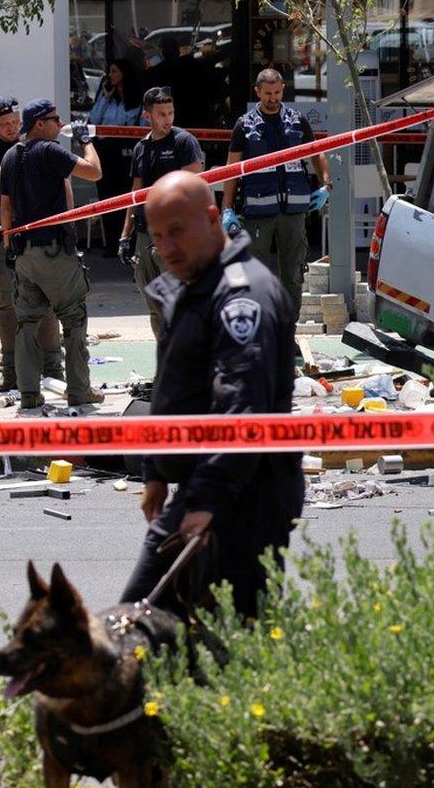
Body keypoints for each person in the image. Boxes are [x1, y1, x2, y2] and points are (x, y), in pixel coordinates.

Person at [119, 171, 302, 618]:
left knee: (204, 631)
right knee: (152, 628)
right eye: (158, 236)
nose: (166, 248)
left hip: (244, 494)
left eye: (176, 231)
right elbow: (179, 390)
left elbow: (242, 407)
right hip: (210, 484)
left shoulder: (242, 295)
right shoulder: (198, 283)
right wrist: (157, 471)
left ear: (213, 218)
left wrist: (205, 501)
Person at [0, 98, 104, 412]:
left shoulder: (10, 157)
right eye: (55, 119)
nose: (60, 125)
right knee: (74, 319)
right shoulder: (49, 150)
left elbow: (6, 207)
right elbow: (95, 172)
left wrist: (9, 247)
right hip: (54, 253)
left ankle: (29, 394)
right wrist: (86, 141)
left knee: (27, 324)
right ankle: (80, 391)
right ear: (39, 124)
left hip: (24, 255)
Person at [221, 69, 329, 315]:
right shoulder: (244, 125)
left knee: (292, 275)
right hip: (258, 213)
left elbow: (317, 152)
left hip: (293, 213)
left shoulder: (297, 120)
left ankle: (286, 332)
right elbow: (231, 170)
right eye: (268, 94)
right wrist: (227, 210)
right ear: (257, 92)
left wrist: (326, 185)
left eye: (277, 93)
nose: (273, 98)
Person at [0, 97, 62, 391]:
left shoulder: (37, 142)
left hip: (39, 235)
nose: (12, 128)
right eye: (4, 125)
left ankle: (54, 368)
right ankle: (10, 373)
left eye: (15, 122)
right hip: (3, 237)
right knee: (6, 305)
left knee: (47, 300)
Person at [120, 87, 205, 339]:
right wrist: (126, 236)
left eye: (170, 113)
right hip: (146, 237)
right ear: (148, 116)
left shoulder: (184, 142)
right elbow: (134, 195)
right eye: (161, 114)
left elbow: (194, 189)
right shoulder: (141, 148)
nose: (168, 119)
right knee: (155, 308)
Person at [88, 60, 146, 255]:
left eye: (114, 71)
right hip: (105, 150)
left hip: (127, 152)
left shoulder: (137, 100)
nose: (110, 75)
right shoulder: (107, 97)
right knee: (107, 196)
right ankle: (111, 242)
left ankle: (127, 239)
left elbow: (142, 126)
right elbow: (94, 120)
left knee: (126, 195)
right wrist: (105, 97)